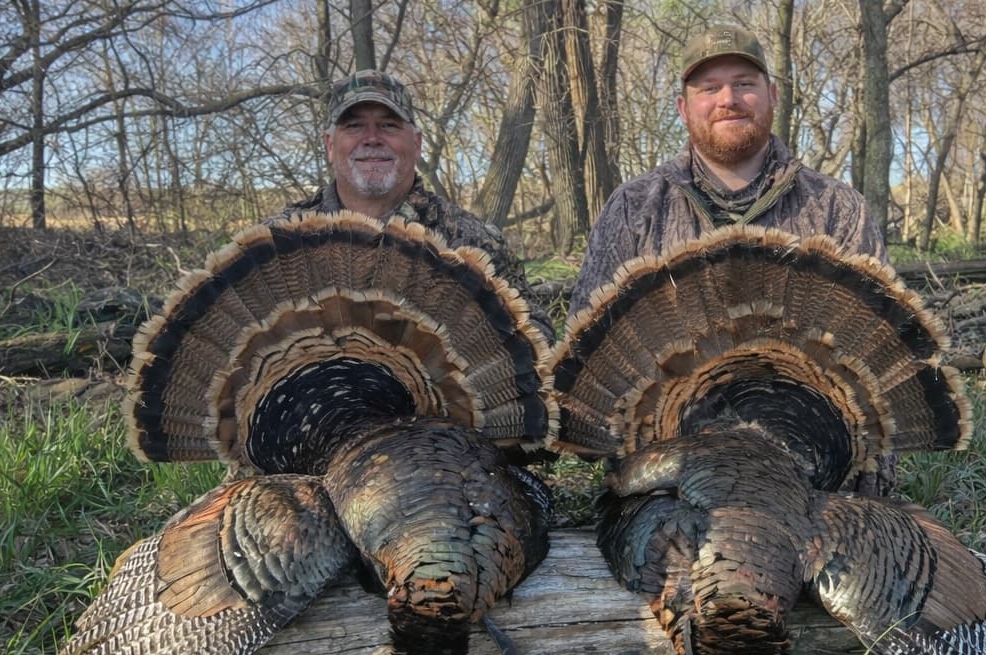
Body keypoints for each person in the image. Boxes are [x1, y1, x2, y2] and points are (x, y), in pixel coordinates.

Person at [569, 26, 895, 494]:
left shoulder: (836, 208)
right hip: (668, 469)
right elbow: (591, 358)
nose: (729, 99)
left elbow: (877, 357)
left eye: (745, 83)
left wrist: (865, 478)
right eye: (709, 88)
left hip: (812, 468)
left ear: (772, 96)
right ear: (684, 107)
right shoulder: (635, 206)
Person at [276, 69, 554, 342]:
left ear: (417, 143)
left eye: (389, 125)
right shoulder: (280, 241)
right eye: (354, 126)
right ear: (329, 145)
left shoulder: (471, 242)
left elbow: (536, 336)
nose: (372, 138)